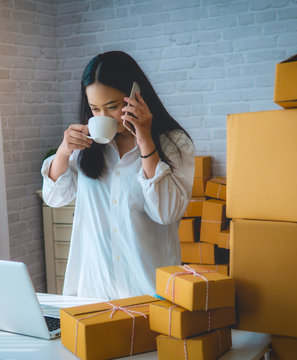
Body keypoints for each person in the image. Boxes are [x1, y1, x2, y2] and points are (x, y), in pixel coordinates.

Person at [41, 51, 195, 300]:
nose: (102, 117)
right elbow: (54, 198)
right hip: (94, 290)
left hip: (148, 291)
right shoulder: (86, 147)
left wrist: (145, 140)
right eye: (94, 109)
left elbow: (166, 212)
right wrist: (62, 152)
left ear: (136, 95)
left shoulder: (174, 143)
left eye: (112, 107)